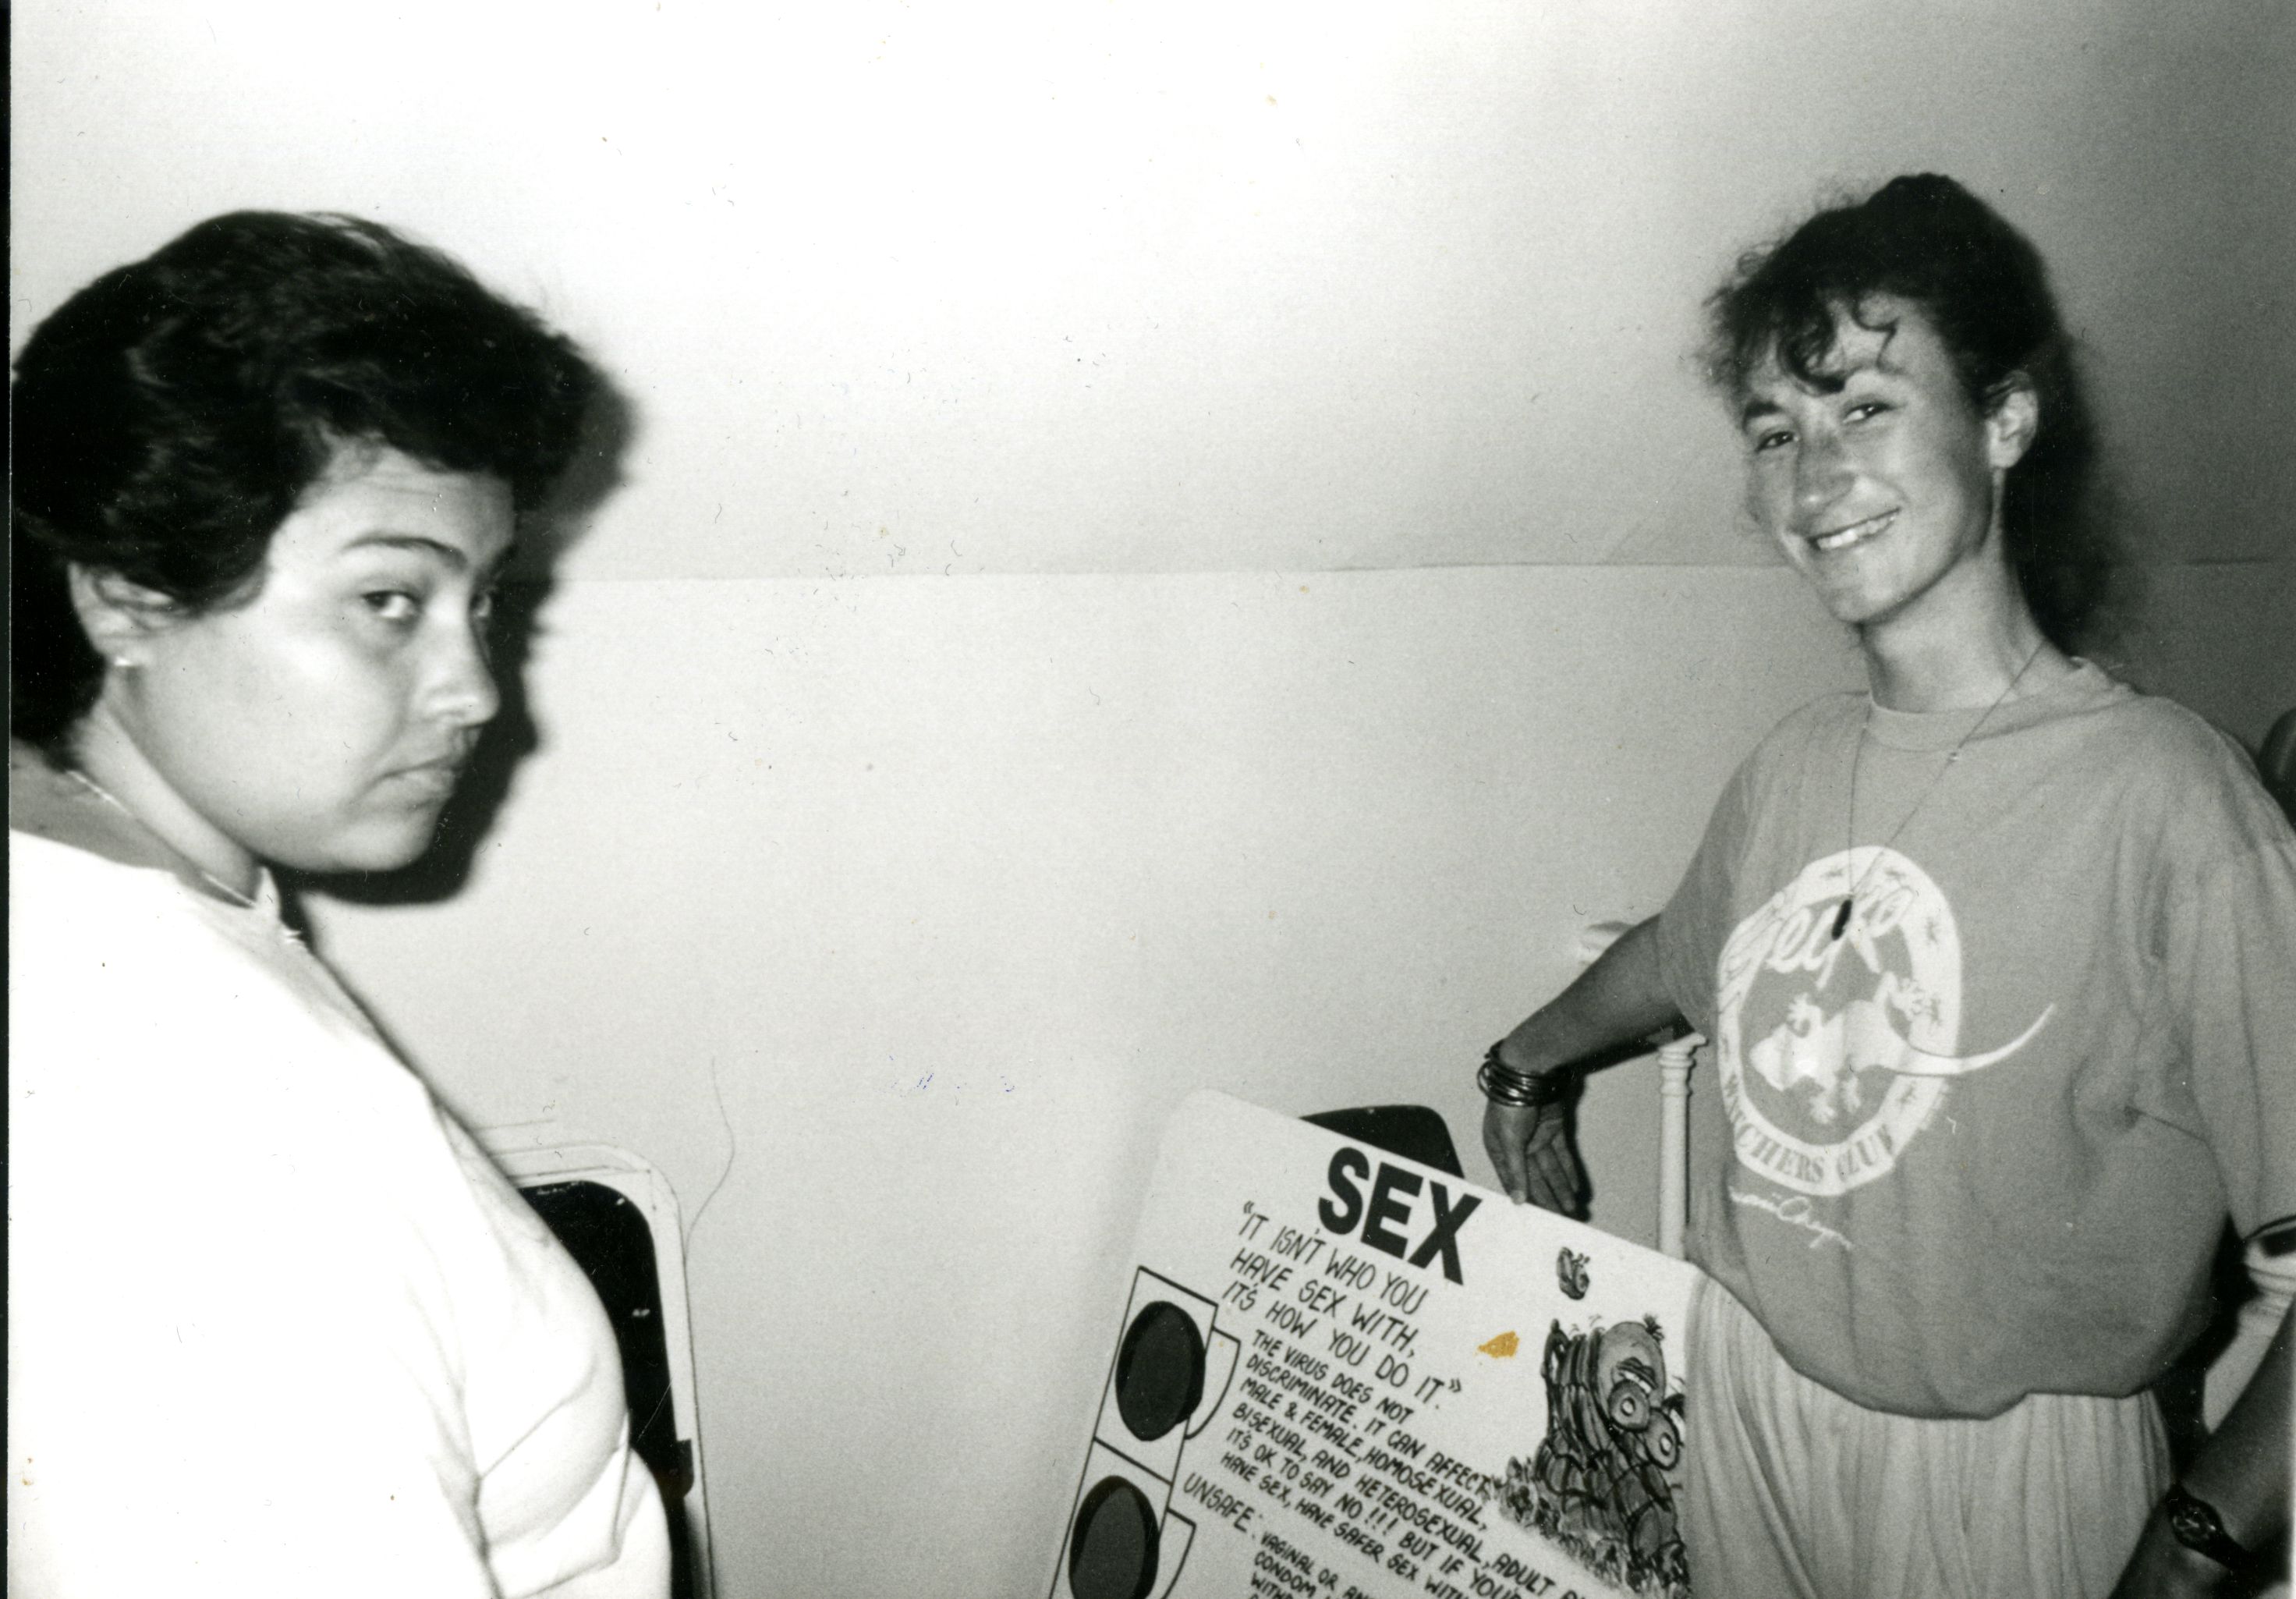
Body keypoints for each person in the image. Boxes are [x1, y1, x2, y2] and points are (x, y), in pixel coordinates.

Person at [1477, 176, 2293, 1597]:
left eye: (1865, 406)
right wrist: (1527, 1061)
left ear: (2005, 420)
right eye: (1775, 431)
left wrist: (2197, 1542)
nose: (1812, 481)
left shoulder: (2174, 802)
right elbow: (1685, 950)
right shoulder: (1795, 760)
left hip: (2003, 1476)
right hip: (1745, 1408)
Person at [7, 213, 670, 1597]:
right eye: (389, 598)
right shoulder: (209, 1132)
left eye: (481, 604)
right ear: (128, 600)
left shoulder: (91, 878)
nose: (476, 690)